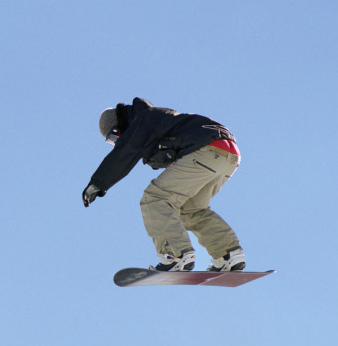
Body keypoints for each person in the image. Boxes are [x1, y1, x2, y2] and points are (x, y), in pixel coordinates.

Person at [82, 97, 245, 272]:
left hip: (206, 151)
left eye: (114, 137)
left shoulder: (144, 119)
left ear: (119, 125)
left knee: (156, 198)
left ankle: (176, 256)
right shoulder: (159, 119)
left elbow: (126, 150)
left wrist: (99, 183)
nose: (115, 141)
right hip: (227, 155)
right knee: (190, 210)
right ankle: (228, 255)